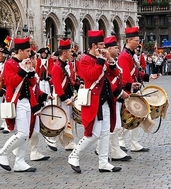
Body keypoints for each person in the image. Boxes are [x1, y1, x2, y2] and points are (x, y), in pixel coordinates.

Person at [68, 30, 128, 173]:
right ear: (94, 45)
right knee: (93, 134)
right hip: (94, 101)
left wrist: (110, 61)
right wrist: (101, 60)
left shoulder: (102, 58)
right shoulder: (85, 60)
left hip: (106, 100)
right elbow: (93, 76)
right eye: (101, 45)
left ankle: (103, 162)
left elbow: (114, 73)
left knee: (105, 133)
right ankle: (74, 155)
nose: (104, 48)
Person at [0, 37, 48, 172]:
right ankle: (1, 153)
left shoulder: (23, 62)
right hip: (16, 102)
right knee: (22, 134)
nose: (29, 54)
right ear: (20, 51)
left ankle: (20, 161)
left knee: (26, 133)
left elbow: (32, 84)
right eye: (27, 51)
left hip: (27, 101)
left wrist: (29, 70)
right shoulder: (10, 64)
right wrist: (23, 70)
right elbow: (12, 83)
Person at [117, 26, 159, 153]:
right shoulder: (124, 55)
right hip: (128, 91)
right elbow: (124, 75)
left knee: (136, 117)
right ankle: (120, 141)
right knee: (127, 117)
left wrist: (148, 76)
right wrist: (131, 86)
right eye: (136, 40)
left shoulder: (131, 54)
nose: (138, 42)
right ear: (129, 40)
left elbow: (135, 72)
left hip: (133, 88)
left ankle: (134, 143)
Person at [94, 35, 131, 161]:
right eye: (116, 47)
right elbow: (108, 82)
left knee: (115, 126)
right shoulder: (104, 63)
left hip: (115, 97)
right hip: (111, 97)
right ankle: (109, 150)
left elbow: (118, 78)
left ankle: (114, 150)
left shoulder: (112, 62)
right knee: (112, 126)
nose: (118, 49)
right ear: (109, 50)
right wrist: (120, 93)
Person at [50, 38, 78, 151]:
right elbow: (57, 86)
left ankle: (67, 141)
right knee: (63, 120)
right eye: (70, 51)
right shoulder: (57, 67)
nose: (71, 53)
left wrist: (77, 85)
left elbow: (69, 81)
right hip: (61, 97)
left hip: (68, 95)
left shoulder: (65, 64)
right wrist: (65, 99)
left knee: (67, 119)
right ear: (65, 52)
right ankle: (64, 141)